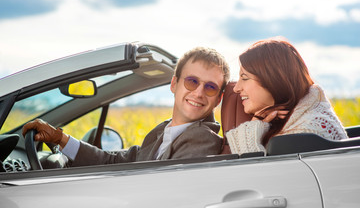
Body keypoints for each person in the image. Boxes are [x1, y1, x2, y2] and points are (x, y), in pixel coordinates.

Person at [22, 47, 230, 166]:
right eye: (192, 81)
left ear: (218, 99)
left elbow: (167, 193)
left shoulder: (203, 137)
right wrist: (60, 138)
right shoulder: (164, 130)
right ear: (174, 84)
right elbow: (112, 161)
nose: (199, 92)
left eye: (210, 87)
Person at [225, 37, 348, 155]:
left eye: (245, 78)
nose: (236, 88)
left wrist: (247, 136)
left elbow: (255, 176)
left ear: (274, 80)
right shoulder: (295, 123)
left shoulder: (304, 135)